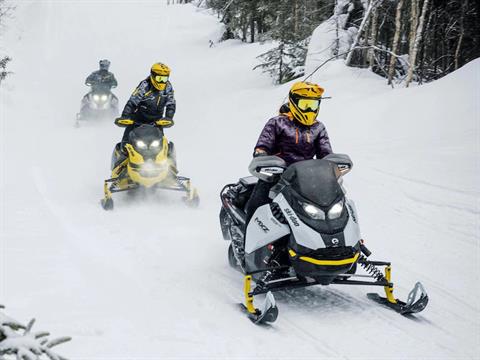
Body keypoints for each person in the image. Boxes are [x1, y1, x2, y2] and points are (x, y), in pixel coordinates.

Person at [245, 81, 333, 223]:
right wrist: (261, 155)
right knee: (257, 206)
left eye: (313, 105)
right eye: (305, 105)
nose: (310, 110)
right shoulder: (277, 123)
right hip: (276, 177)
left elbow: (326, 154)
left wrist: (332, 166)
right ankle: (247, 240)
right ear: (294, 102)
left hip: (307, 180)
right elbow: (263, 145)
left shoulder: (318, 128)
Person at [117, 62, 176, 143]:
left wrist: (168, 117)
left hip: (157, 123)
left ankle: (169, 155)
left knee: (164, 145)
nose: (162, 82)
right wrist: (125, 116)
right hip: (137, 121)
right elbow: (132, 102)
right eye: (159, 78)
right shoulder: (144, 85)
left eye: (164, 79)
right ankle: (120, 154)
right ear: (153, 76)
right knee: (125, 143)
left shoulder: (168, 87)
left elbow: (171, 103)